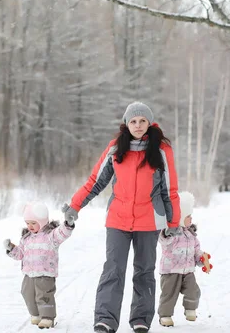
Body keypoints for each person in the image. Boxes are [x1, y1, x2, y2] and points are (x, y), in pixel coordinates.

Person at [63, 101, 181, 333]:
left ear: (149, 123)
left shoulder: (161, 150)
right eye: (133, 121)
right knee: (113, 269)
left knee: (144, 270)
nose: (138, 125)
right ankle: (105, 319)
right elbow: (95, 181)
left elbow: (170, 189)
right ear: (126, 124)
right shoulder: (116, 148)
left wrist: (173, 222)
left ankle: (140, 319)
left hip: (149, 221)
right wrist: (75, 205)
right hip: (118, 219)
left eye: (142, 121)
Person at [3, 202, 75, 329]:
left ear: (42, 221)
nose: (30, 226)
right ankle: (35, 314)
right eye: (28, 223)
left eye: (33, 223)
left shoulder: (50, 235)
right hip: (29, 273)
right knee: (27, 293)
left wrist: (68, 224)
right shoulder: (26, 238)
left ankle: (47, 317)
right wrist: (11, 248)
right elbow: (20, 254)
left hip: (45, 273)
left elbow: (62, 233)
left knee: (44, 295)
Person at [157, 191, 207, 327]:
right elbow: (163, 240)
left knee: (193, 290)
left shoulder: (191, 234)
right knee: (169, 295)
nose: (191, 219)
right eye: (188, 216)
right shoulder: (170, 232)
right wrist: (168, 232)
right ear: (179, 216)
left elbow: (196, 250)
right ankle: (165, 315)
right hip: (171, 271)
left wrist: (201, 258)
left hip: (188, 271)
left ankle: (190, 309)